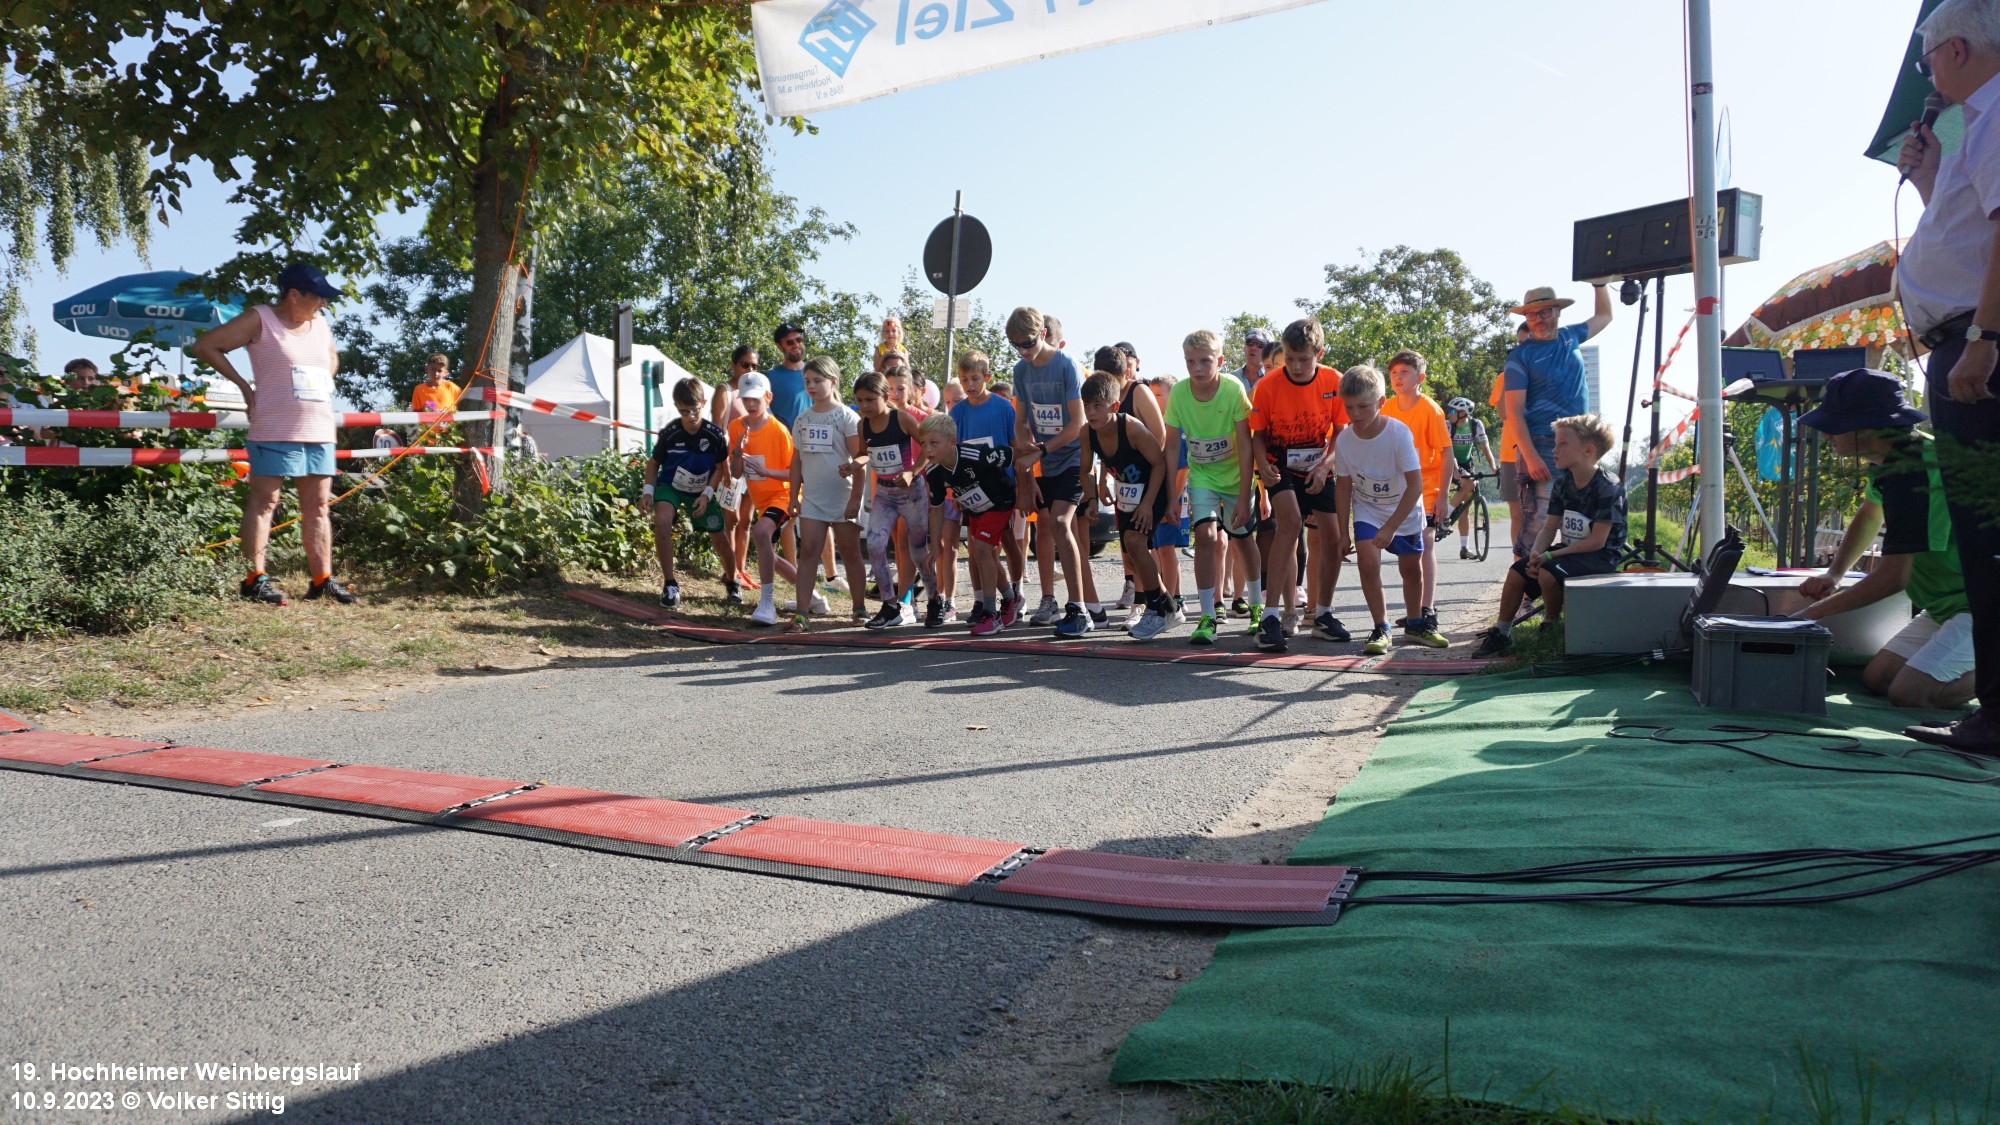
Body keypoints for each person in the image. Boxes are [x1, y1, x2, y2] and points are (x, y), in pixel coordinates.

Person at [1893, 0, 2000, 753]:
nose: (1927, 74)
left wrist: (1985, 339)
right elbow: (1965, 238)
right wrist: (1930, 178)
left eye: (1928, 59)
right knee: (1983, 535)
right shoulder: (1973, 127)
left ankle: (1995, 713)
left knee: (1987, 536)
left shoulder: (1994, 117)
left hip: (1976, 344)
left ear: (1956, 50)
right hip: (1960, 339)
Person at [1788, 370, 1975, 709]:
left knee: (1911, 694)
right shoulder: (1896, 460)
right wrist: (1835, 573)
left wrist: (1808, 615)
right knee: (1880, 679)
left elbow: (1893, 578)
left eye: (1834, 424)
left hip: (1982, 605)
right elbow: (1871, 512)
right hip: (1948, 604)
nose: (1825, 433)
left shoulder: (1916, 474)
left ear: (1868, 428)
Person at [189, 261, 356, 606]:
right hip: (274, 425)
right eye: (318, 296)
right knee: (265, 502)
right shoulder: (260, 318)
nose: (323, 303)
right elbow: (205, 346)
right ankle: (254, 579)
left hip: (319, 427)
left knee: (318, 506)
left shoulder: (320, 324)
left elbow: (331, 358)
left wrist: (322, 379)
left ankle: (322, 580)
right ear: (294, 295)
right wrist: (244, 387)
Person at [1473, 414, 1625, 657]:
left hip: (1600, 556)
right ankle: (1502, 633)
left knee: (1547, 572)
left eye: (1563, 444)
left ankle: (1551, 625)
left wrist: (1550, 556)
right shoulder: (1563, 483)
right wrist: (1536, 553)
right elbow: (1549, 527)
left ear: (1588, 450)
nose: (1554, 450)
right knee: (1517, 571)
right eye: (1555, 444)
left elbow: (1597, 542)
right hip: (1569, 552)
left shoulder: (1609, 486)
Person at [1248, 317, 1349, 652]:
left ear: (1319, 353)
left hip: (1319, 462)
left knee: (1332, 537)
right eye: (1289, 359)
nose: (1296, 366)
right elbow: (1258, 435)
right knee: (1290, 524)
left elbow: (1341, 432)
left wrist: (1325, 466)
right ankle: (1270, 618)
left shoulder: (1335, 381)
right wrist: (1262, 465)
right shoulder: (1268, 385)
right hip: (1279, 462)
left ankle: (1322, 614)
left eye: (1304, 359)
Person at [1166, 329, 1263, 646]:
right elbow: (1171, 447)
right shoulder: (1179, 393)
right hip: (1203, 477)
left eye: (1205, 361)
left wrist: (1246, 493)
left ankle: (1257, 606)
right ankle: (1207, 615)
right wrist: (1171, 496)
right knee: (1206, 537)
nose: (1197, 368)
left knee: (1242, 539)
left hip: (1236, 477)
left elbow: (1246, 444)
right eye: (1190, 362)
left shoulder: (1233, 388)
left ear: (1219, 361)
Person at [1503, 285, 1612, 562]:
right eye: (1531, 314)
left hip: (1581, 442)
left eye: (1545, 312)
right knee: (1538, 521)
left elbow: (1604, 316)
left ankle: (1564, 583)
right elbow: (1514, 412)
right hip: (1541, 443)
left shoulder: (1570, 336)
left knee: (1579, 521)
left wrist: (1600, 284)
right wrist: (1531, 457)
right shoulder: (1520, 357)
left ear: (1557, 312)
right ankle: (1524, 587)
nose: (1538, 319)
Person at [1009, 307, 1094, 638]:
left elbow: (1078, 423)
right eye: (1015, 345)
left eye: (1027, 343)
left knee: (1060, 522)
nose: (1022, 351)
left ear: (1042, 334)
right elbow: (1020, 420)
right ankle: (1051, 601)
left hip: (1073, 457)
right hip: (1043, 460)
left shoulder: (1066, 364)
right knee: (1045, 526)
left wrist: (1041, 450)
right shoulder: (1021, 370)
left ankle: (1080, 608)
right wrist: (1025, 447)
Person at [1333, 365, 1428, 657]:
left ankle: (1415, 624)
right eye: (1349, 407)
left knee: (1410, 570)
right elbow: (1343, 487)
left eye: (1363, 407)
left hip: (1404, 511)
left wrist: (1391, 527)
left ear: (1381, 402)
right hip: (1368, 509)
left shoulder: (1398, 434)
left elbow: (1416, 485)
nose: (1356, 414)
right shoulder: (1344, 440)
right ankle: (1381, 626)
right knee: (1368, 563)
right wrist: (1342, 533)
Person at [1079, 372, 1176, 640]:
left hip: (1152, 490)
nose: (1091, 412)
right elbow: (1085, 470)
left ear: (1114, 406)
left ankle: (1156, 609)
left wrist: (1148, 504)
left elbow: (1159, 464)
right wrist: (1091, 499)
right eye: (1086, 406)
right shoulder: (1087, 432)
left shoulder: (1132, 428)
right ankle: (1168, 606)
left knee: (1135, 542)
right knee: (1132, 555)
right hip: (1127, 495)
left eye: (1097, 405)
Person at [937, 351, 1024, 628]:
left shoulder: (1003, 407)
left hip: (1001, 490)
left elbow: (1016, 447)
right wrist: (956, 492)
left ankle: (1008, 598)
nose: (969, 384)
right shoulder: (958, 412)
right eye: (964, 379)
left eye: (974, 378)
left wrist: (1022, 486)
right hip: (973, 492)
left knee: (996, 545)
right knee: (981, 549)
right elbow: (955, 452)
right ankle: (1001, 600)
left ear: (986, 377)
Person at [785, 357, 869, 631]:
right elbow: (796, 461)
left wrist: (855, 499)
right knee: (809, 551)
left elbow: (860, 459)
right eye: (807, 381)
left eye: (817, 380)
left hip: (843, 497)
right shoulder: (802, 419)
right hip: (812, 498)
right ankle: (802, 613)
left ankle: (859, 607)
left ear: (833, 382)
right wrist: (793, 496)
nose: (811, 386)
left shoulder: (847, 416)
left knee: (851, 552)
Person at [1377, 350, 1452, 647]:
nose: (1398, 377)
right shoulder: (1386, 407)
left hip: (1427, 488)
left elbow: (1446, 453)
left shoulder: (1430, 410)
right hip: (1395, 489)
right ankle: (1413, 610)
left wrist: (1443, 496)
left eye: (1404, 372)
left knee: (1425, 543)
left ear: (1419, 378)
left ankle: (1426, 610)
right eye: (1394, 372)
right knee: (1406, 553)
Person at [920, 412, 1017, 637]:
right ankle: (1010, 598)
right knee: (985, 555)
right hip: (976, 508)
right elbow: (936, 508)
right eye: (923, 444)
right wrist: (934, 547)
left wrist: (1027, 485)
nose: (928, 450)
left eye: (934, 443)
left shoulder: (975, 454)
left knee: (982, 549)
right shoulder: (932, 471)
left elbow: (1015, 453)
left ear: (952, 441)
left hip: (1001, 501)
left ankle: (990, 614)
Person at [641, 377, 734, 609]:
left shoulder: (714, 434)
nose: (691, 416)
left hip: (702, 490)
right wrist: (648, 492)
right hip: (671, 486)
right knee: (662, 522)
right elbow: (653, 463)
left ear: (703, 403)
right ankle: (670, 585)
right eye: (684, 411)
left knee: (719, 538)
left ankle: (733, 581)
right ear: (676, 407)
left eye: (695, 410)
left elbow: (720, 467)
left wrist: (707, 494)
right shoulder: (670, 433)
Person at [728, 372, 808, 626]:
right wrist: (737, 452)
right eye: (746, 399)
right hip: (761, 500)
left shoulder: (779, 431)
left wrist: (767, 472)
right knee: (768, 555)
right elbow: (736, 473)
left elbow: (797, 473)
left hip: (784, 494)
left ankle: (767, 603)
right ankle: (812, 597)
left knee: (761, 532)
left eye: (756, 398)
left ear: (768, 397)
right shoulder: (736, 427)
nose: (751, 404)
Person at [857, 371, 931, 629]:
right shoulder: (863, 424)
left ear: (884, 396)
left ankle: (935, 600)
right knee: (875, 545)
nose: (864, 406)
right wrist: (853, 464)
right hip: (885, 494)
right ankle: (890, 606)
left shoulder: (901, 418)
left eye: (869, 399)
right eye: (859, 400)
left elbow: (928, 447)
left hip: (911, 494)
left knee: (918, 551)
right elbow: (864, 453)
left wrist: (912, 472)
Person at [712, 344, 761, 595]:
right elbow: (716, 431)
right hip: (730, 465)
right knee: (730, 520)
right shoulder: (725, 391)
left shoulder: (758, 392)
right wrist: (724, 466)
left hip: (753, 464)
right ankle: (731, 574)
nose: (749, 370)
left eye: (754, 366)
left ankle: (740, 570)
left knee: (746, 521)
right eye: (745, 364)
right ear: (734, 365)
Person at [1143, 371, 1190, 619]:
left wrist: (1174, 500)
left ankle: (1169, 602)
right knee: (1160, 549)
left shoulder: (1177, 427)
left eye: (1158, 395)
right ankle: (1176, 597)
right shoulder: (1153, 427)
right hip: (1160, 499)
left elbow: (1183, 468)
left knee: (1167, 551)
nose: (1153, 399)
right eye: (1150, 395)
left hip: (1173, 501)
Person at [1491, 323, 1530, 553]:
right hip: (1510, 452)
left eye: (1528, 343)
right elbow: (1504, 413)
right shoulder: (1505, 377)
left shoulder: (1549, 372)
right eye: (1519, 344)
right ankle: (1519, 561)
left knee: (1541, 513)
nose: (1522, 349)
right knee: (1517, 514)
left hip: (1542, 448)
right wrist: (1511, 375)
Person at [1445, 395, 1498, 558]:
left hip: (1466, 463)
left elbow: (1485, 447)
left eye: (1452, 411)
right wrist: (1455, 470)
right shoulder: (1448, 426)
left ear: (1462, 414)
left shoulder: (1476, 425)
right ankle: (1445, 516)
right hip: (1448, 460)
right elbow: (1448, 450)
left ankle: (1464, 548)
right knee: (1470, 484)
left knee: (1465, 508)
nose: (1449, 414)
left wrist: (1494, 467)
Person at [764, 323, 812, 429]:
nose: (796, 344)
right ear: (779, 346)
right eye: (789, 342)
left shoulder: (818, 370)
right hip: (785, 438)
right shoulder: (769, 378)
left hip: (819, 437)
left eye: (799, 339)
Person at [1234, 327, 1275, 395]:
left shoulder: (1274, 380)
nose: (1253, 348)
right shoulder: (1232, 378)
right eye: (1250, 342)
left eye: (1260, 344)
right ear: (1244, 347)